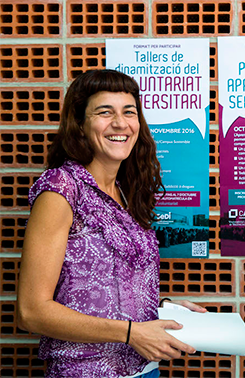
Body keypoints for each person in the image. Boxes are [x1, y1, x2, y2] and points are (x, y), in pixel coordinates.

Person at [17, 69, 207, 378]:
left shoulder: (125, 192)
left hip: (144, 369)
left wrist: (162, 308)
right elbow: (31, 311)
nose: (120, 123)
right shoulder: (62, 189)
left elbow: (100, 289)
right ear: (79, 123)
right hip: (85, 371)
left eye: (128, 112)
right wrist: (132, 333)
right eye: (105, 112)